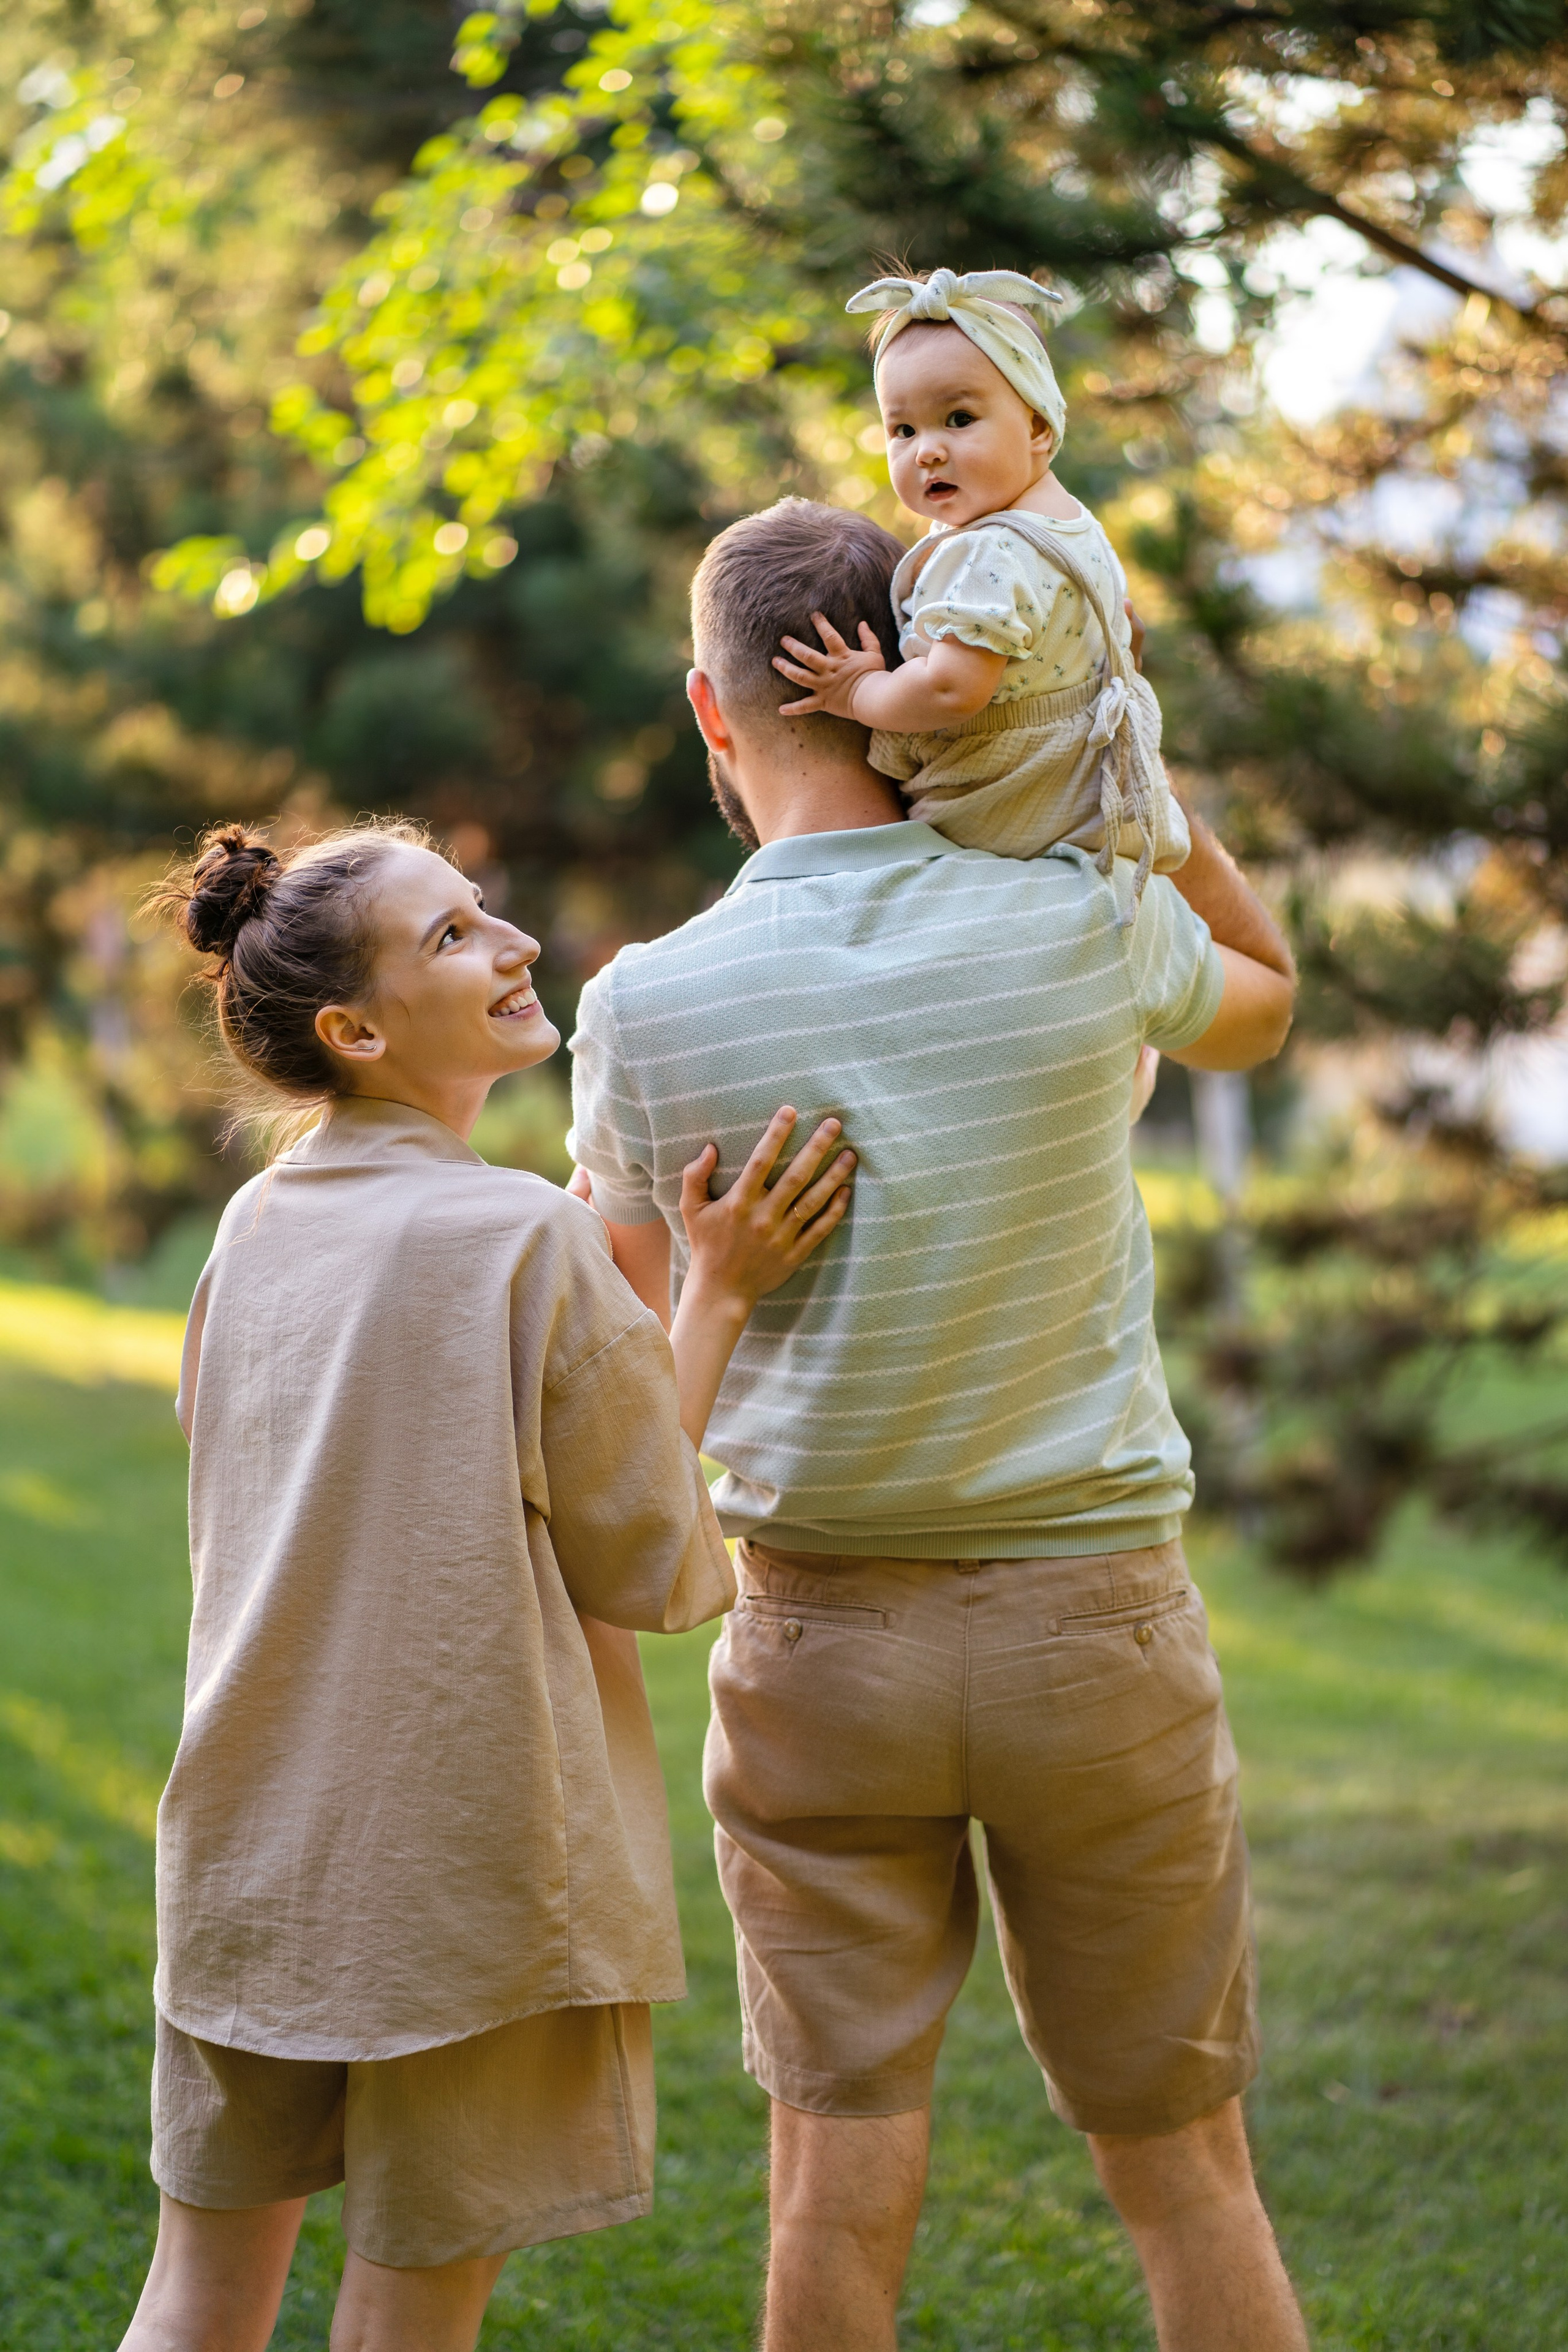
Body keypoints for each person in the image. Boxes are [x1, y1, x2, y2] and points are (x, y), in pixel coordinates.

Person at [567, 499, 1310, 2351]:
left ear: (709, 707)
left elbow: (632, 1351)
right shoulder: (1087, 917)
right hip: (1096, 1630)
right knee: (1187, 2163)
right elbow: (1266, 1007)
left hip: (817, 1637)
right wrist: (1137, 789)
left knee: (830, 2173)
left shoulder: (640, 1006)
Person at [124, 818, 854, 2352]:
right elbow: (651, 1562)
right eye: (452, 935)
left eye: (482, 912)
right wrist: (710, 1294)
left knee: (193, 2302)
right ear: (357, 1027)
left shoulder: (252, 1226)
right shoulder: (526, 1234)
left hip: (248, 1851)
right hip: (464, 1873)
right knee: (408, 2313)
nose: (511, 942)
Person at [772, 266, 1188, 900]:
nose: (927, 451)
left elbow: (949, 689)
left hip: (1007, 799)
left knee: (881, 866)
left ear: (1039, 427)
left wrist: (859, 690)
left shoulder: (987, 553)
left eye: (958, 418)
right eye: (903, 430)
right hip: (1084, 786)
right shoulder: (1070, 524)